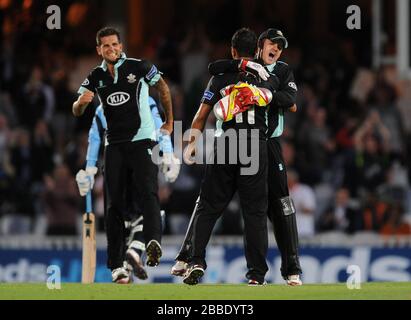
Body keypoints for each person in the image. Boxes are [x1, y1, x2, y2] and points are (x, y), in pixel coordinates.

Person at [172, 28, 303, 286]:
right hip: (257, 146)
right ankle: (256, 275)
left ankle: (195, 259)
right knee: (255, 212)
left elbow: (201, 114)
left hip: (227, 144)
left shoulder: (219, 78)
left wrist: (190, 146)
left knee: (208, 205)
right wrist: (263, 94)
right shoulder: (269, 76)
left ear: (233, 50)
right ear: (258, 48)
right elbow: (291, 102)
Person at [72, 27, 174, 283]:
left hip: (142, 141)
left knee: (148, 193)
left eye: (115, 44)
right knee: (113, 205)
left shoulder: (139, 67)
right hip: (114, 146)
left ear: (121, 45)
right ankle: (116, 265)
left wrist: (169, 123)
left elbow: (163, 88)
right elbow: (76, 110)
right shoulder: (95, 76)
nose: (111, 49)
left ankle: (152, 244)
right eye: (106, 46)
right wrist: (81, 103)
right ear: (99, 50)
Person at [76, 98, 179, 282]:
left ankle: (122, 267)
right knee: (150, 213)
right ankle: (135, 251)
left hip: (113, 165)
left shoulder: (102, 108)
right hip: (140, 161)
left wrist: (89, 169)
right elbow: (160, 128)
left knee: (118, 216)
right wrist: (167, 153)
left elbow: (94, 137)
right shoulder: (145, 100)